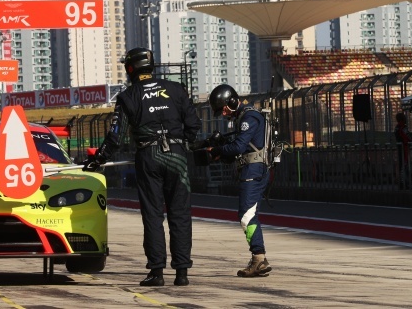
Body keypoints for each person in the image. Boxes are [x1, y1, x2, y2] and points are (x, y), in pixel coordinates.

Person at [84, 47, 200, 287]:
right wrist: (183, 142)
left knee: (153, 216)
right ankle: (182, 273)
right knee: (180, 215)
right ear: (151, 65)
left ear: (130, 69)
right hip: (177, 156)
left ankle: (157, 273)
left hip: (148, 155)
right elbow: (193, 125)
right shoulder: (176, 89)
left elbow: (116, 136)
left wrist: (99, 159)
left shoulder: (128, 96)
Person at [206, 84, 272, 278]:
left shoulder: (249, 117)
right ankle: (258, 258)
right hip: (250, 169)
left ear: (232, 101)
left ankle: (259, 259)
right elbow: (239, 146)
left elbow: (239, 147)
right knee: (246, 214)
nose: (224, 114)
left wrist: (218, 151)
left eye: (224, 109)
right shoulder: (244, 117)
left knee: (246, 216)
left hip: (254, 170)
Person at [393, 112, 412, 190]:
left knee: (401, 165)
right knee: (404, 166)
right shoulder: (402, 127)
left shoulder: (396, 127)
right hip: (404, 148)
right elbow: (408, 137)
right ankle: (403, 184)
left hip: (399, 148)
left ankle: (402, 183)